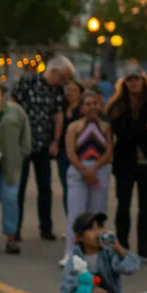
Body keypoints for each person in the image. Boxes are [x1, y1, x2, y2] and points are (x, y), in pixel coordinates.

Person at [106, 65, 147, 264]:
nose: (133, 83)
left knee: (145, 206)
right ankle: (122, 246)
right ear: (124, 83)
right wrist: (144, 129)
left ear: (143, 81)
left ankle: (145, 248)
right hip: (125, 162)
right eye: (130, 80)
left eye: (137, 79)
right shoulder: (117, 105)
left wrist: (145, 131)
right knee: (123, 205)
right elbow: (120, 131)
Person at [55, 211, 147, 293]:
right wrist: (90, 290)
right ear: (80, 237)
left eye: (100, 227)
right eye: (91, 229)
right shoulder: (75, 259)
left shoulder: (109, 253)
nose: (97, 232)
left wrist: (118, 248)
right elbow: (66, 288)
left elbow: (130, 268)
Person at [12, 53, 73, 240]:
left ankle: (45, 228)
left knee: (45, 187)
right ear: (53, 70)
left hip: (43, 144)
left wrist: (55, 140)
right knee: (19, 187)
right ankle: (15, 229)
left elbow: (58, 115)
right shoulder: (28, 81)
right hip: (22, 143)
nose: (64, 81)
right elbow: (13, 105)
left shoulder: (57, 91)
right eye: (63, 77)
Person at [0, 76, 31, 254]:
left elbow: (25, 136)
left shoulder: (15, 111)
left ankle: (11, 237)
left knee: (10, 199)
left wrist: (21, 155)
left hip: (11, 165)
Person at [62, 90, 113, 262]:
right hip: (79, 170)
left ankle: (97, 251)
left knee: (97, 212)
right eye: (88, 104)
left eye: (95, 103)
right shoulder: (74, 127)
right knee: (76, 212)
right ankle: (71, 252)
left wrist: (95, 168)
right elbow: (70, 151)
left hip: (100, 170)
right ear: (82, 107)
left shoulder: (105, 127)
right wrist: (83, 170)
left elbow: (108, 151)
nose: (92, 107)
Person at [56, 80, 84, 214]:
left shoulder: (83, 110)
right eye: (68, 89)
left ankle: (79, 218)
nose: (70, 93)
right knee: (67, 187)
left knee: (78, 187)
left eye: (74, 90)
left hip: (79, 153)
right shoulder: (60, 108)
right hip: (63, 152)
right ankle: (70, 220)